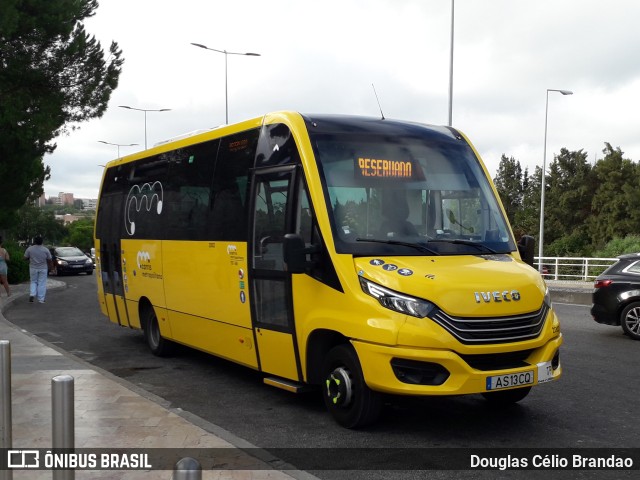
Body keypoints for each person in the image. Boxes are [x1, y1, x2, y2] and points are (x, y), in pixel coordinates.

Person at [24, 235, 52, 304]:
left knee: (33, 281)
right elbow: (49, 259)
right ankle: (41, 299)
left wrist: (30, 259)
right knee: (41, 283)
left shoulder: (30, 249)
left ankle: (32, 294)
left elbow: (25, 258)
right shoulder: (45, 249)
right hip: (43, 268)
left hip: (33, 267)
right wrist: (51, 267)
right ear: (42, 241)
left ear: (35, 241)